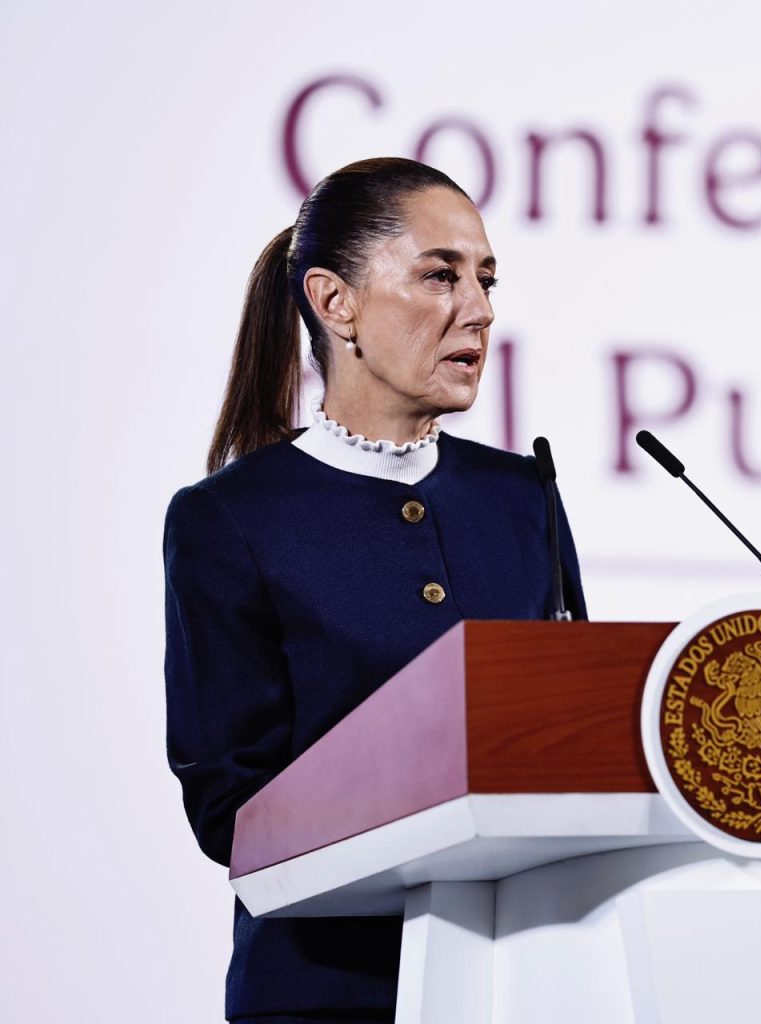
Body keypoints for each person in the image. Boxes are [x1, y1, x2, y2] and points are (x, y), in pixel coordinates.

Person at [163, 157, 586, 1023]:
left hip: (519, 988)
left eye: (487, 278)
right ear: (335, 302)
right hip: (327, 993)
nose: (480, 308)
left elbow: (575, 737)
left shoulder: (523, 497)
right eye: (440, 274)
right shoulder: (232, 519)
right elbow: (230, 811)